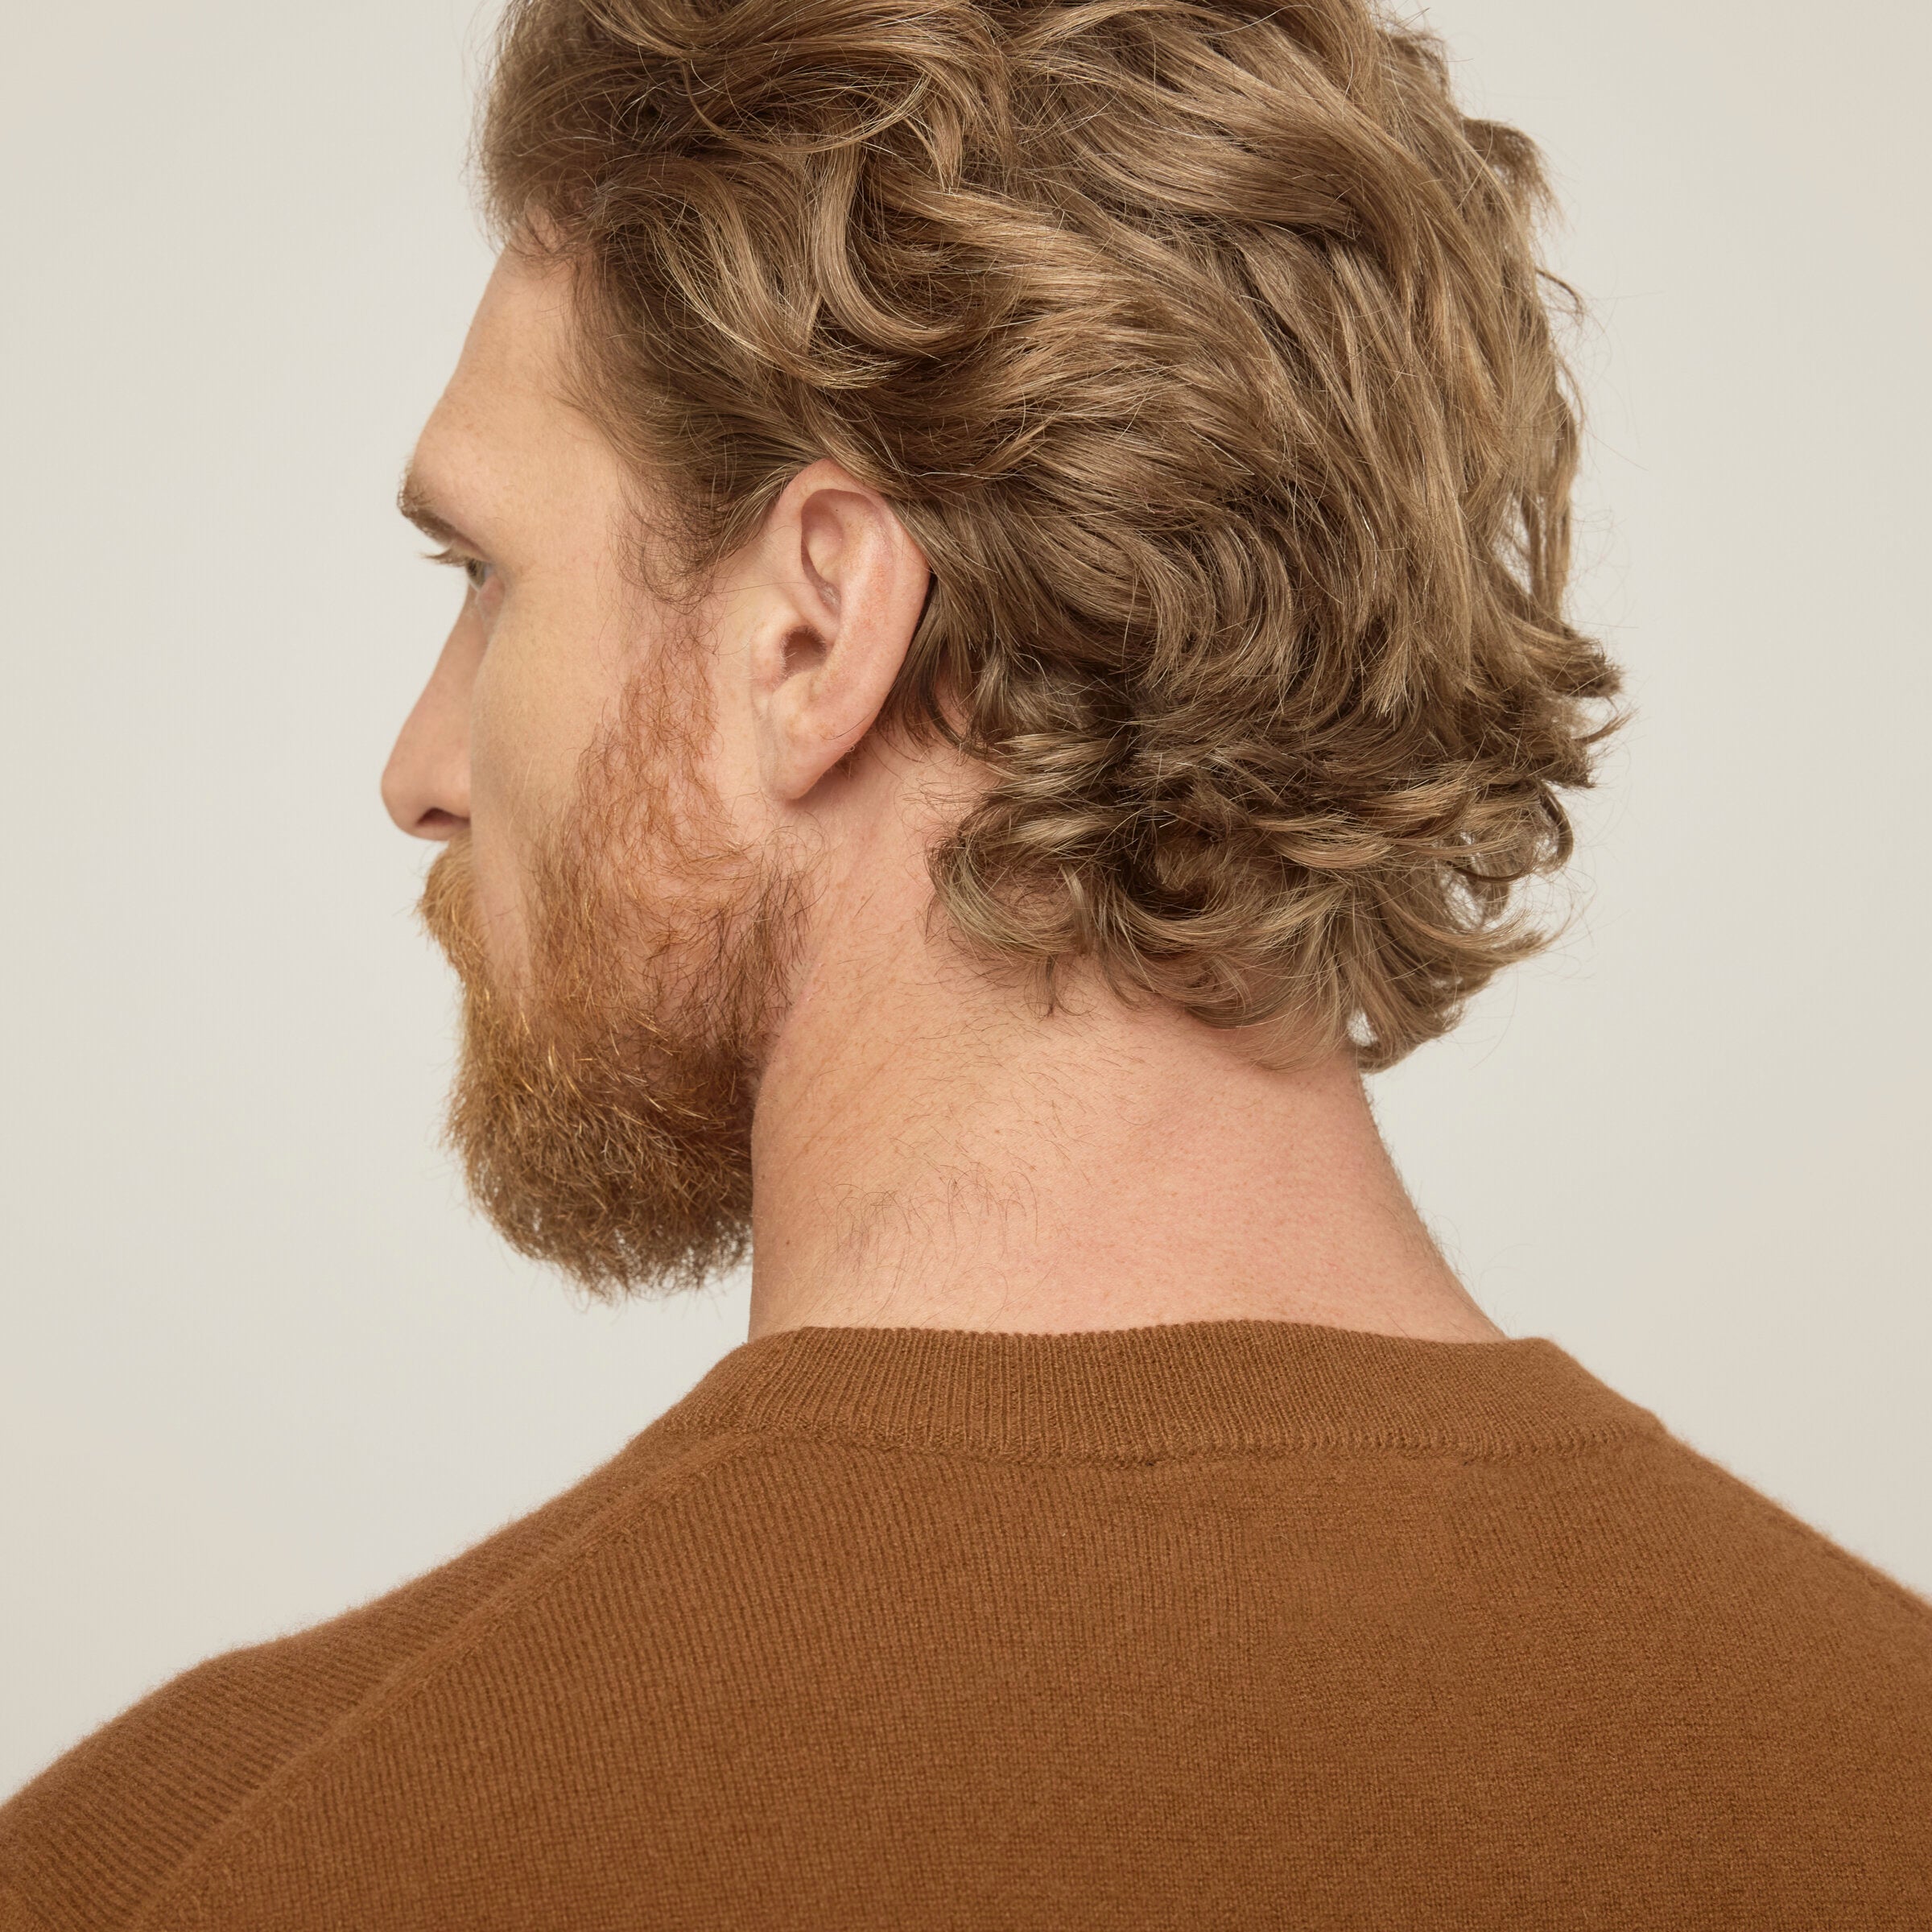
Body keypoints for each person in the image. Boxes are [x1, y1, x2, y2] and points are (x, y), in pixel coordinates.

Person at [3, 0, 1927, 1922]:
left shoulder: (206, 1861)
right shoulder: (1879, 1775)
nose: (420, 771)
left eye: (486, 577)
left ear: (814, 631)